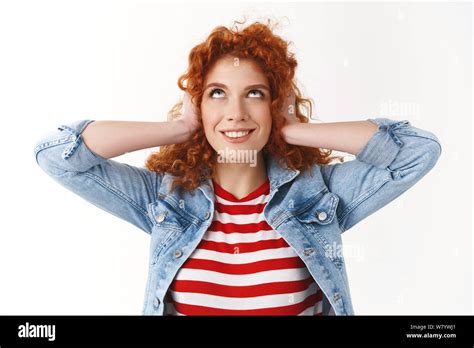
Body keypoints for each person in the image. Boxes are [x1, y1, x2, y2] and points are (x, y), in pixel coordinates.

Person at [33, 20, 442, 315]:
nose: (235, 113)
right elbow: (58, 155)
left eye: (255, 94)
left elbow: (416, 151)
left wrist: (293, 131)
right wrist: (176, 128)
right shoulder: (164, 200)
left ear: (275, 104)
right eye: (216, 94)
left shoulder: (318, 196)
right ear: (198, 104)